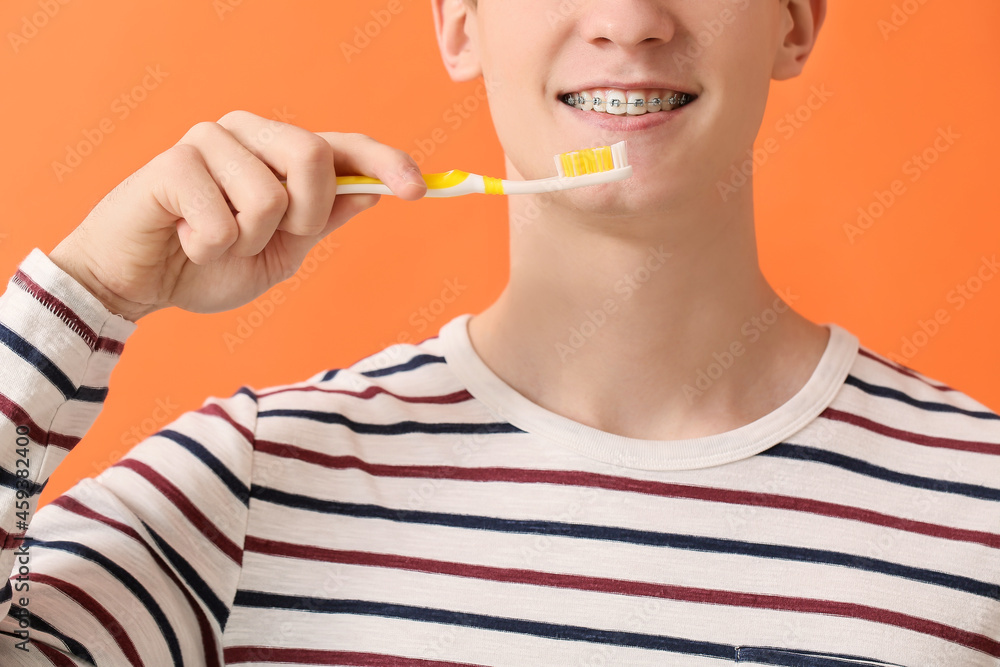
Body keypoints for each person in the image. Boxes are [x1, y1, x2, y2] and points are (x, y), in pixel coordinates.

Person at [2, 0, 998, 664]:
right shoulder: (246, 490)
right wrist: (82, 296)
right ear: (459, 22)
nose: (628, 21)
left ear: (795, 20)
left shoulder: (980, 509)